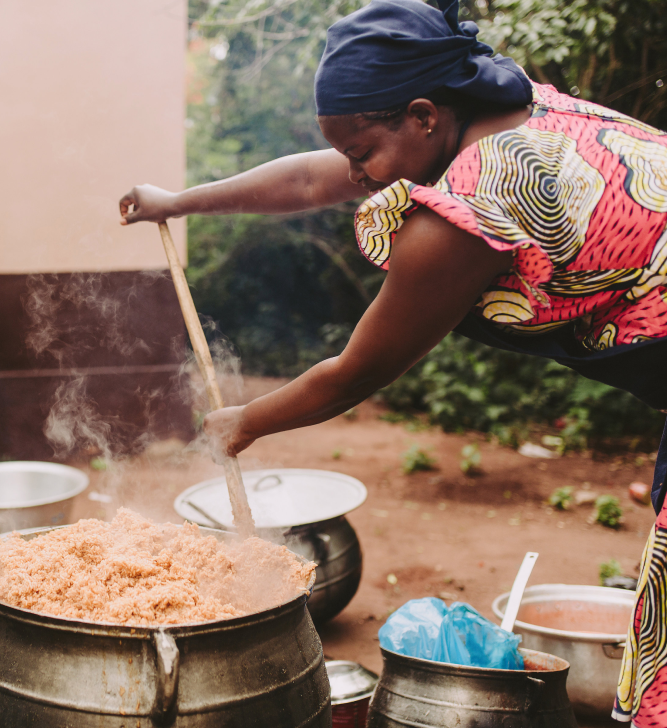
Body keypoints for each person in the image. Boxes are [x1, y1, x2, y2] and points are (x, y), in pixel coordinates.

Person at [118, 0, 667, 721]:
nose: (356, 173)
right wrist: (177, 202)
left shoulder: (480, 201)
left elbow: (357, 371)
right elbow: (315, 178)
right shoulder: (497, 110)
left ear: (422, 115)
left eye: (362, 153)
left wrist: (244, 422)